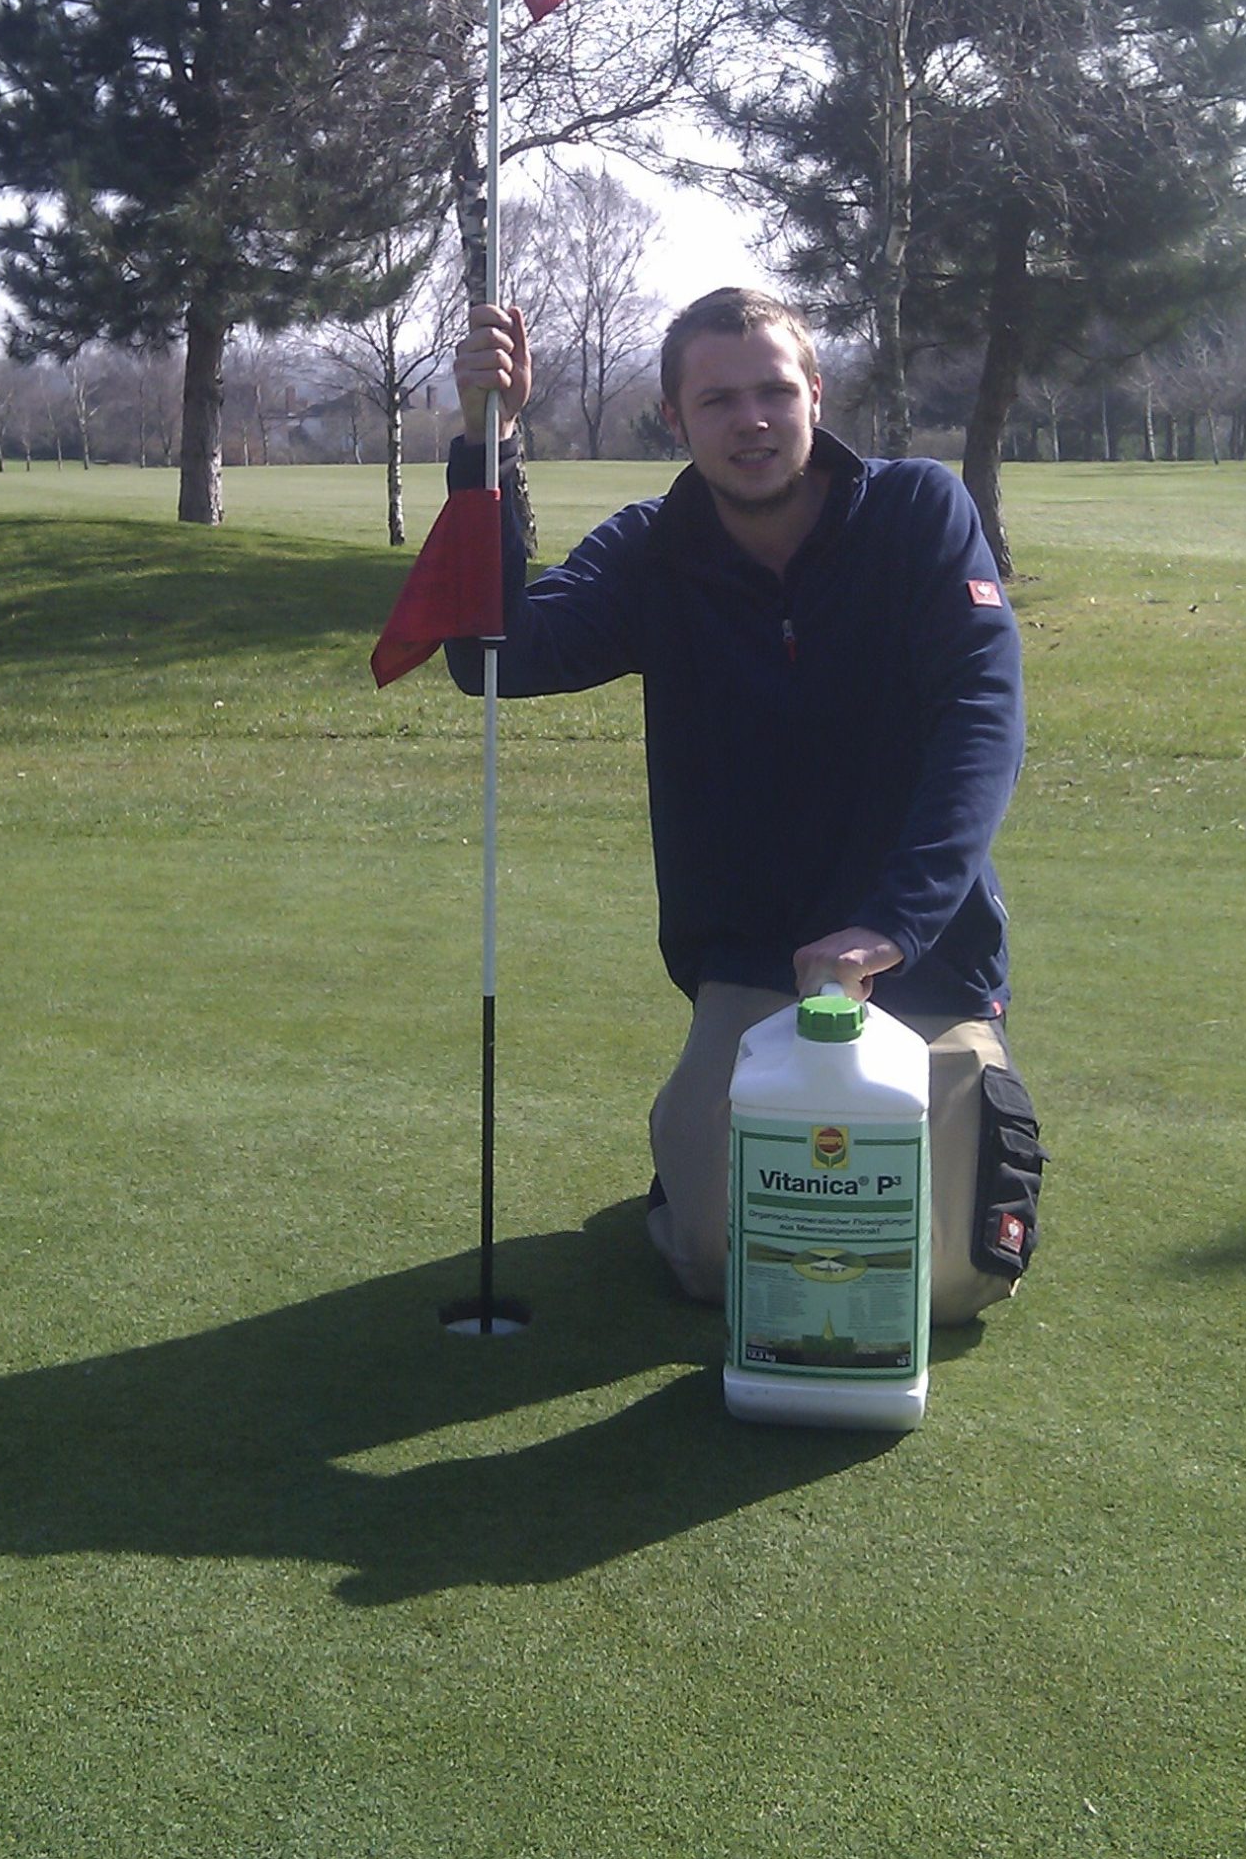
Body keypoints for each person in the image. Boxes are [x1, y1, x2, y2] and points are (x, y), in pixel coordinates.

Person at [446, 286, 1044, 1326]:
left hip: (928, 967)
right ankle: (689, 1165)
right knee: (722, 1268)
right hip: (755, 975)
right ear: (675, 419)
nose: (753, 419)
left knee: (947, 1283)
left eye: (775, 389)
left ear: (817, 392)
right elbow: (492, 655)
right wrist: (488, 442)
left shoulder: (915, 513)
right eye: (718, 399)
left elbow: (982, 722)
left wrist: (893, 926)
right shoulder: (651, 550)